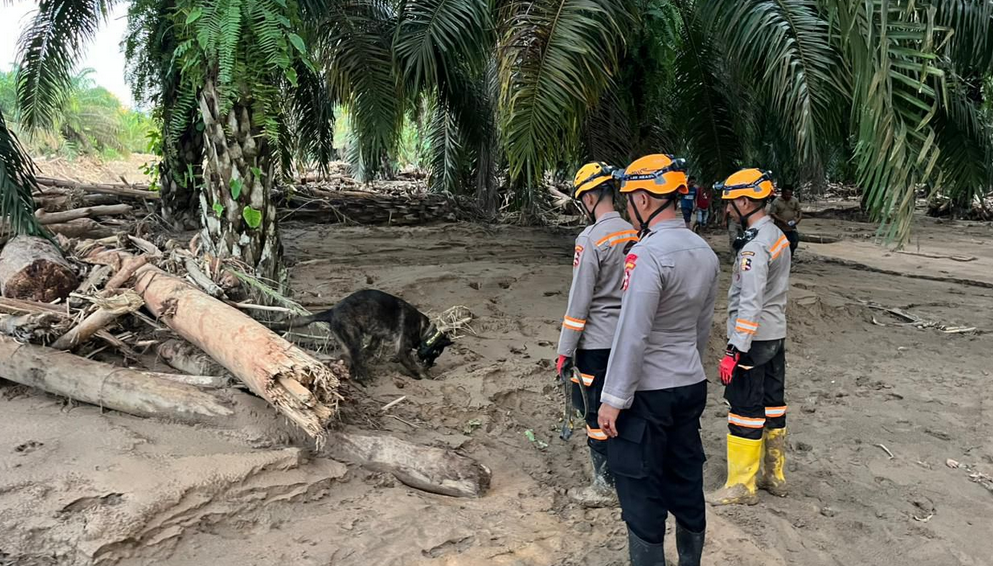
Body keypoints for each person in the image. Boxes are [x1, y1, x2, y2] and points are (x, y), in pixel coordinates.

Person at [597, 154, 720, 566]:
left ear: (645, 200)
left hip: (647, 393)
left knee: (639, 486)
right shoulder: (705, 252)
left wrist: (613, 398)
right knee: (685, 477)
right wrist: (689, 365)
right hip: (689, 384)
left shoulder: (646, 255)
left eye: (629, 198)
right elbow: (703, 326)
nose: (628, 208)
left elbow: (633, 331)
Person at [556, 161, 638, 507]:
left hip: (598, 343)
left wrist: (564, 349)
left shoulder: (590, 239)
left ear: (589, 196)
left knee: (595, 414)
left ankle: (605, 485)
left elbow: (580, 301)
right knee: (626, 408)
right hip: (631, 338)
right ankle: (631, 475)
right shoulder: (635, 232)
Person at [708, 168, 792, 507]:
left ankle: (742, 484)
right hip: (775, 335)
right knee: (773, 404)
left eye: (730, 203)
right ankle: (775, 475)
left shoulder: (754, 247)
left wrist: (734, 350)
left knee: (744, 407)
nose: (727, 210)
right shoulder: (776, 236)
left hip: (754, 339)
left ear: (745, 201)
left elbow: (750, 302)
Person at [768, 184, 802, 257]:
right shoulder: (776, 202)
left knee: (794, 241)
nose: (788, 196)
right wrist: (781, 220)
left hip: (791, 226)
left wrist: (798, 219)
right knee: (780, 243)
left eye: (790, 194)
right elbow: (772, 213)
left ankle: (791, 255)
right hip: (780, 227)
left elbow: (799, 210)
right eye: (786, 194)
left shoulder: (794, 200)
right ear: (782, 193)